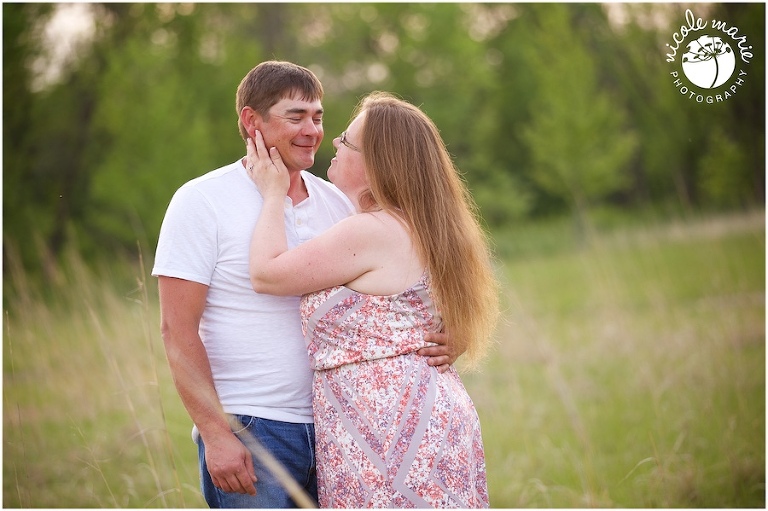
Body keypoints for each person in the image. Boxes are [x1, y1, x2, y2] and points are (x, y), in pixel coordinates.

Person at [152, 62, 456, 508]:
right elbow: (176, 331)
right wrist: (217, 434)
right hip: (254, 427)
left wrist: (446, 335)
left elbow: (392, 284)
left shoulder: (338, 200)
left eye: (318, 116)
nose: (312, 130)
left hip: (342, 427)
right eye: (295, 116)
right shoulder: (201, 201)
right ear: (251, 120)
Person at [245, 91, 499, 508]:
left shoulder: (369, 230)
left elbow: (267, 274)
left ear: (376, 162)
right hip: (426, 415)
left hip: (387, 425)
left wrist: (272, 193)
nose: (334, 145)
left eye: (345, 140)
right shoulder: (425, 224)